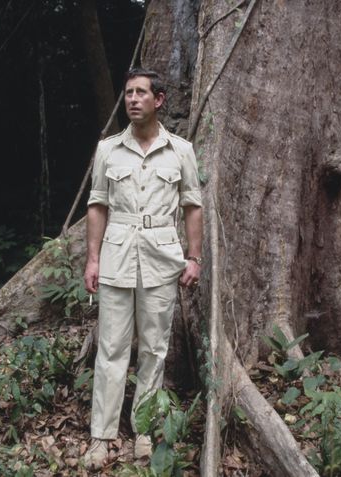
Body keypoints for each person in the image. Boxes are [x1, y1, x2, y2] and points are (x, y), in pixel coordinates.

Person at [82, 68, 203, 470]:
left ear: (159, 100)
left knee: (154, 348)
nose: (133, 99)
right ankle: (101, 435)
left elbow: (192, 206)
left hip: (162, 257)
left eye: (141, 93)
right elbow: (97, 205)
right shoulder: (108, 150)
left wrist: (195, 256)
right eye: (128, 92)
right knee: (111, 348)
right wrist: (93, 258)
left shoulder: (181, 150)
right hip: (117, 256)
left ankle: (145, 431)